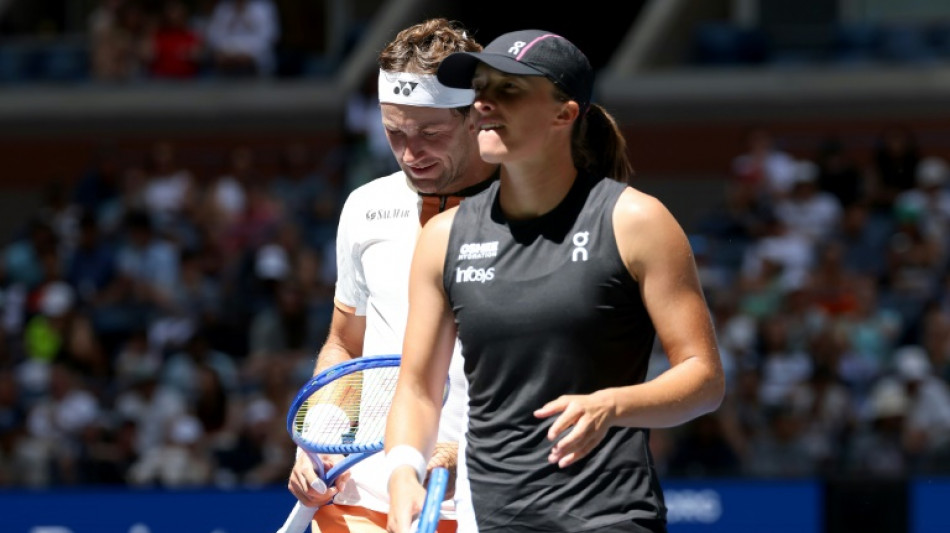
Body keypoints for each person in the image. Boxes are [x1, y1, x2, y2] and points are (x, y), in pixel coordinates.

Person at [385, 30, 725, 533]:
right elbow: (417, 388)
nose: (482, 104)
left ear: (563, 114)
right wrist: (402, 475)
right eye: (480, 88)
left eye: (508, 89)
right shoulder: (442, 237)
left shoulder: (636, 221)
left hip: (611, 519)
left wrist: (613, 404)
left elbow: (704, 378)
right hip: (493, 521)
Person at [285, 18, 498, 533]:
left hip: (480, 503)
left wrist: (467, 452)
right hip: (355, 497)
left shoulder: (534, 214)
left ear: (476, 117)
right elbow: (345, 343)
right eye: (394, 132)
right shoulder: (365, 205)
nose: (409, 153)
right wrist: (321, 436)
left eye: (430, 134)